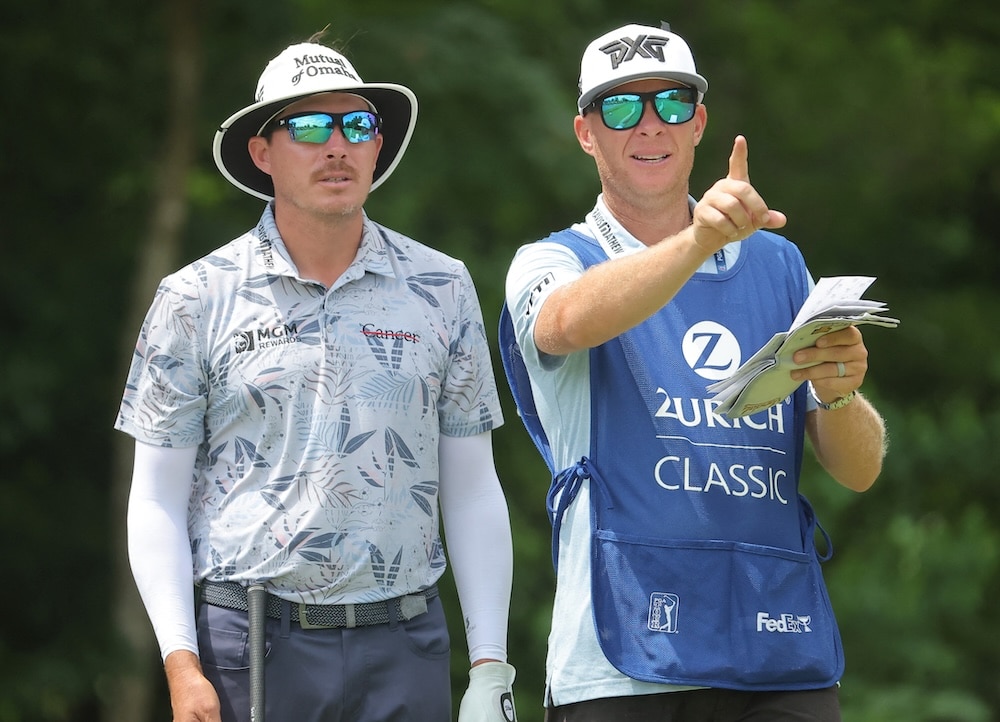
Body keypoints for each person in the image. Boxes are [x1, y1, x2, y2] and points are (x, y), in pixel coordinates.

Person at [117, 31, 517, 722]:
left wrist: (489, 669)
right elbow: (155, 499)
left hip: (406, 643)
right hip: (250, 642)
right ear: (262, 152)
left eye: (357, 124)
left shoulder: (443, 287)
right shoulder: (194, 297)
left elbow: (474, 488)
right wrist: (182, 666)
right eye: (308, 125)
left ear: (376, 146)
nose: (338, 144)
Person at [500, 21, 887, 721]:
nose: (650, 125)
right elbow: (565, 322)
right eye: (621, 107)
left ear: (699, 121)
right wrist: (698, 239)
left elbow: (857, 472)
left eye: (671, 104)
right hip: (622, 658)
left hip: (776, 647)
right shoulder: (552, 259)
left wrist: (840, 392)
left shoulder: (780, 264)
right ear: (586, 133)